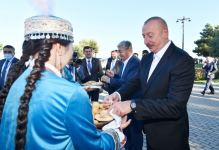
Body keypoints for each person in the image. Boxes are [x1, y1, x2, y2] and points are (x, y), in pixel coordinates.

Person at [0, 15, 130, 150]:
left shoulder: (17, 83)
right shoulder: (72, 93)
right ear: (59, 48)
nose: (72, 51)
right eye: (71, 45)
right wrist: (115, 132)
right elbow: (94, 147)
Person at [104, 16, 195, 150]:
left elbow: (175, 106)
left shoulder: (182, 60)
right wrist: (118, 94)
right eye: (143, 36)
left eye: (150, 35)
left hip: (171, 135)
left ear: (165, 32)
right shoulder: (146, 59)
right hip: (149, 130)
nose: (146, 41)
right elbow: (135, 82)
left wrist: (132, 104)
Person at [101, 40, 143, 150]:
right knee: (127, 133)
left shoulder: (135, 62)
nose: (119, 54)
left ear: (129, 50)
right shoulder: (124, 62)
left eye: (121, 51)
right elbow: (123, 80)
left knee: (135, 134)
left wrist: (110, 81)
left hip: (133, 104)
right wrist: (114, 76)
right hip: (124, 104)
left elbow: (129, 83)